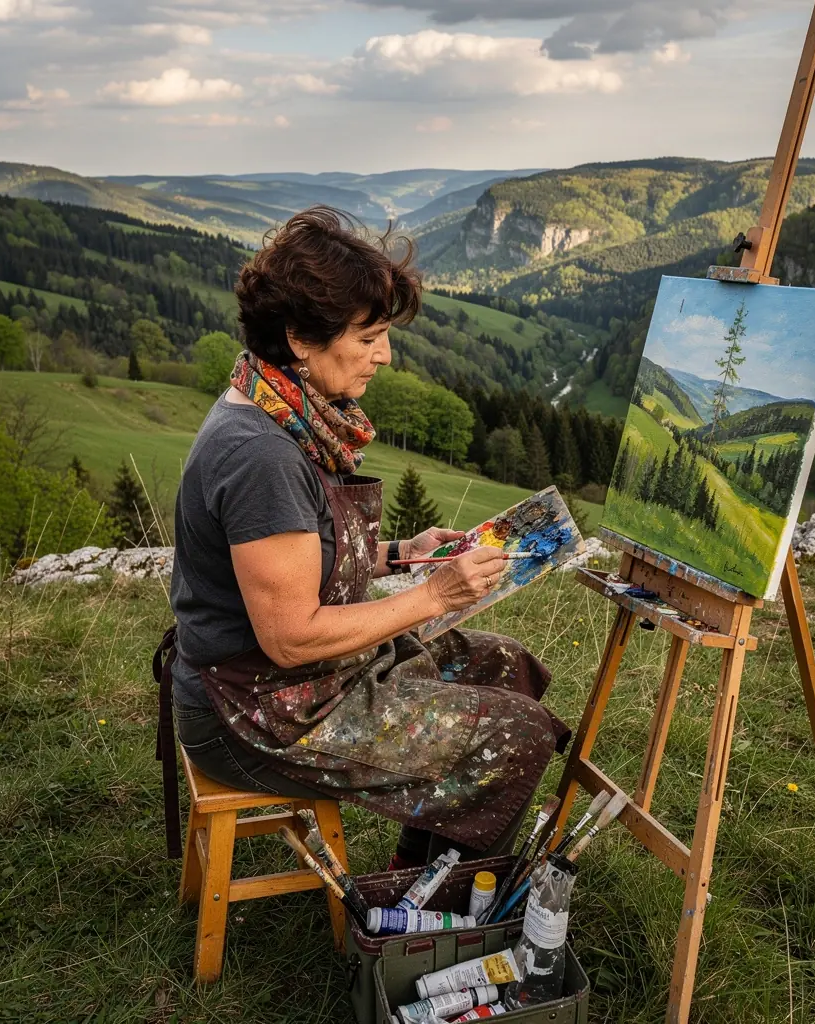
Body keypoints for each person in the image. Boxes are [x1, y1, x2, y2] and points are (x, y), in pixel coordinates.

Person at [155, 207, 568, 869]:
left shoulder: (280, 410)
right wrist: (435, 594)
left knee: (504, 664)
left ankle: (426, 865)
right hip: (258, 715)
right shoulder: (262, 455)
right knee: (518, 736)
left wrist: (405, 553)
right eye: (370, 336)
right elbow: (290, 636)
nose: (385, 354)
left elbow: (298, 559)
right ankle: (435, 909)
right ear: (299, 337)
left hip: (295, 685)